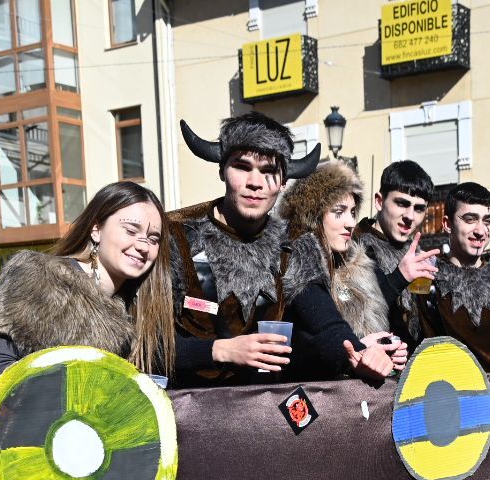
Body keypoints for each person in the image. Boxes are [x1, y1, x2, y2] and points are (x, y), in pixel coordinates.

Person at [167, 113, 325, 385]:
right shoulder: (175, 237)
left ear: (283, 181)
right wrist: (220, 351)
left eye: (269, 171)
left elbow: (323, 324)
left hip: (262, 410)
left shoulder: (295, 244)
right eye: (242, 167)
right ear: (222, 171)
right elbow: (146, 345)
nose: (255, 182)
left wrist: (357, 349)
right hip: (190, 410)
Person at [0, 181, 178, 388]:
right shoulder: (38, 279)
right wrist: (78, 391)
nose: (143, 246)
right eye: (130, 231)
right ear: (96, 229)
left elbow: (170, 354)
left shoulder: (138, 301)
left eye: (153, 239)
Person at [277, 160, 405, 381]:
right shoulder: (298, 259)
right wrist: (359, 350)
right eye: (338, 212)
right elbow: (328, 328)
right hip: (312, 398)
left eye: (353, 212)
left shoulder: (355, 263)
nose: (350, 223)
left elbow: (369, 322)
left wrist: (387, 350)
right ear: (314, 215)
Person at [411, 182, 490, 371]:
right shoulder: (425, 278)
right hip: (446, 394)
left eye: (486, 221)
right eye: (470, 219)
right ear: (447, 224)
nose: (480, 230)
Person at [353, 160, 440, 337]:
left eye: (419, 208)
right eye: (402, 203)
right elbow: (351, 314)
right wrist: (399, 277)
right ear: (379, 201)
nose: (410, 216)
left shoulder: (415, 251)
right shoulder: (352, 247)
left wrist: (487, 264)